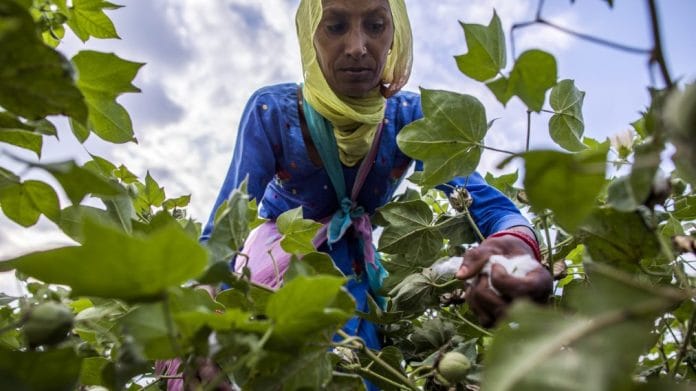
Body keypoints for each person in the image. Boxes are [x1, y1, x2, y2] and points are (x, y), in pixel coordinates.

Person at [200, 0, 552, 386]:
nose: (356, 46)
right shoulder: (273, 111)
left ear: (394, 34)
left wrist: (516, 246)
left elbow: (485, 204)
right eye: (334, 26)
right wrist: (202, 310)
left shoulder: (410, 117)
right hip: (276, 278)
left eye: (376, 25)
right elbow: (224, 229)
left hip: (356, 286)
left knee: (362, 374)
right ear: (308, 35)